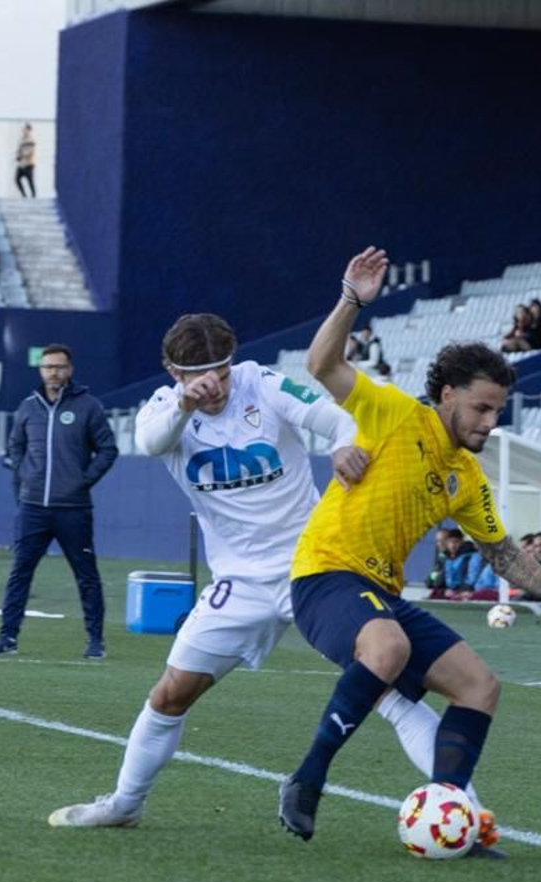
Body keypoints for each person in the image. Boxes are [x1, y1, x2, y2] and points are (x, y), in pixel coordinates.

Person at [48, 313, 496, 832]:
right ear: (172, 370)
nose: (216, 383)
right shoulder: (164, 410)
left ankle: (466, 811)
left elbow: (337, 417)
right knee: (171, 692)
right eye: (200, 374)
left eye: (222, 368)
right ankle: (125, 804)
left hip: (317, 566)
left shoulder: (260, 384)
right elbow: (150, 442)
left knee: (390, 689)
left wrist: (343, 444)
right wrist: (187, 401)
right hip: (238, 583)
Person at [276, 247, 541, 848]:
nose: (491, 421)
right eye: (481, 407)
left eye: (497, 409)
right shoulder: (391, 412)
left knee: (479, 685)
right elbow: (320, 363)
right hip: (324, 578)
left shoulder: (467, 479)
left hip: (377, 593)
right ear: (445, 395)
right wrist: (352, 299)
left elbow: (505, 555)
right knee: (387, 645)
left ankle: (450, 814)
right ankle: (307, 779)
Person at [0, 344, 119, 659]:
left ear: (69, 370)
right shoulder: (27, 407)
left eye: (59, 367)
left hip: (73, 509)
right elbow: (14, 447)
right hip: (32, 507)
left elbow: (108, 449)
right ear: (40, 371)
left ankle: (96, 642)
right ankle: (8, 637)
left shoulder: (88, 406)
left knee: (86, 574)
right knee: (20, 571)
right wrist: (24, 473)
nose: (53, 372)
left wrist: (83, 481)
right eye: (47, 367)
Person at [15, 124, 37, 198]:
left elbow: (29, 151)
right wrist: (18, 155)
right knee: (17, 179)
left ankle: (33, 195)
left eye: (25, 129)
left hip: (28, 164)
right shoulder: (21, 139)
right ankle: (24, 195)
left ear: (29, 130)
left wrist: (22, 154)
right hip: (21, 164)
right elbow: (19, 149)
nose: (24, 131)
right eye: (23, 129)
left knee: (30, 180)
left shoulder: (31, 140)